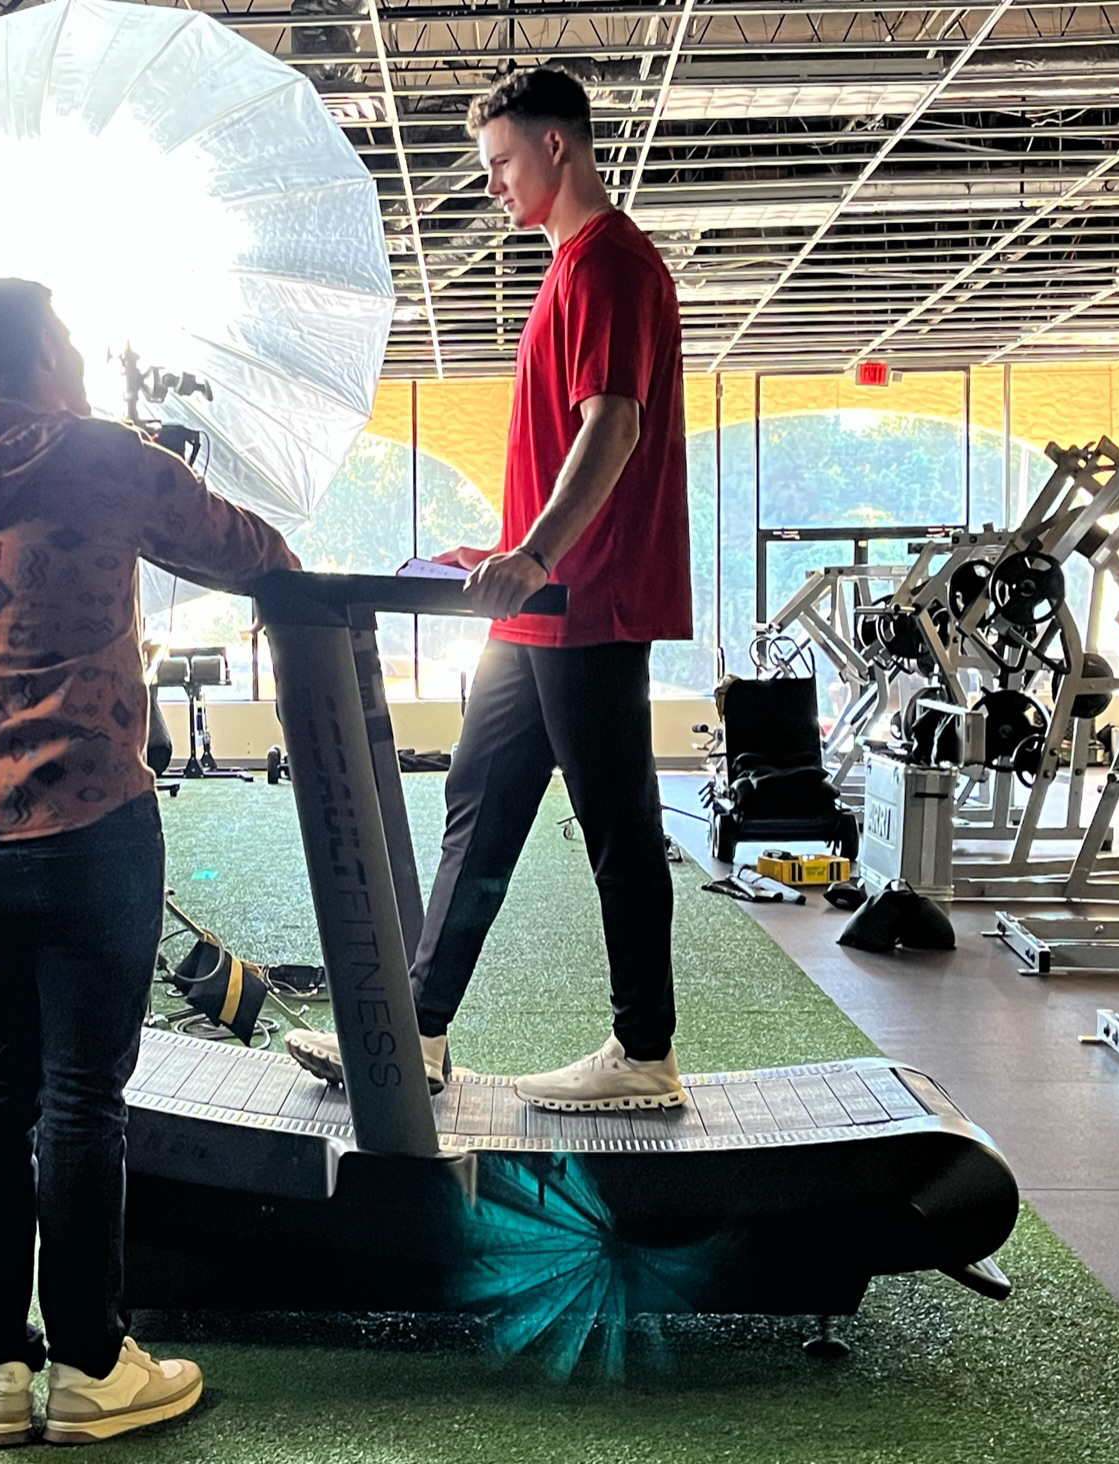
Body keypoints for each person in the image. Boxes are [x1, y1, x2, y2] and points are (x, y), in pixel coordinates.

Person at [0, 279, 298, 1447]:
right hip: (85, 826)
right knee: (80, 1102)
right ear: (38, 350)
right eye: (65, 335)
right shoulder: (109, 459)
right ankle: (88, 1365)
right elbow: (244, 549)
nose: (78, 349)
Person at [285, 65, 691, 1114]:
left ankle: (644, 1051)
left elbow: (614, 428)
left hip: (583, 605)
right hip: (537, 608)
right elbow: (573, 442)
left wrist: (543, 555)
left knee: (617, 824)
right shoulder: (569, 269)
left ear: (557, 146)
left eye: (504, 161)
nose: (494, 184)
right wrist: (506, 549)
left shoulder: (608, 264)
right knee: (480, 805)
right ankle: (416, 1031)